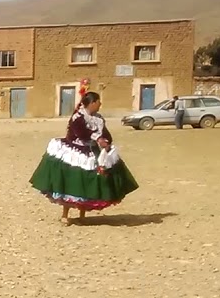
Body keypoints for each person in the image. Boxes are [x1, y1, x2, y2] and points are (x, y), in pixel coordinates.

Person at [29, 88, 139, 225]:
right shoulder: (78, 117)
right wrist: (98, 139)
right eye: (98, 102)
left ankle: (82, 214)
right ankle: (65, 215)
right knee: (71, 182)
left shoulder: (99, 118)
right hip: (76, 154)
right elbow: (81, 132)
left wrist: (107, 142)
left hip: (92, 152)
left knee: (87, 183)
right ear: (92, 103)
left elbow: (105, 133)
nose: (100, 104)